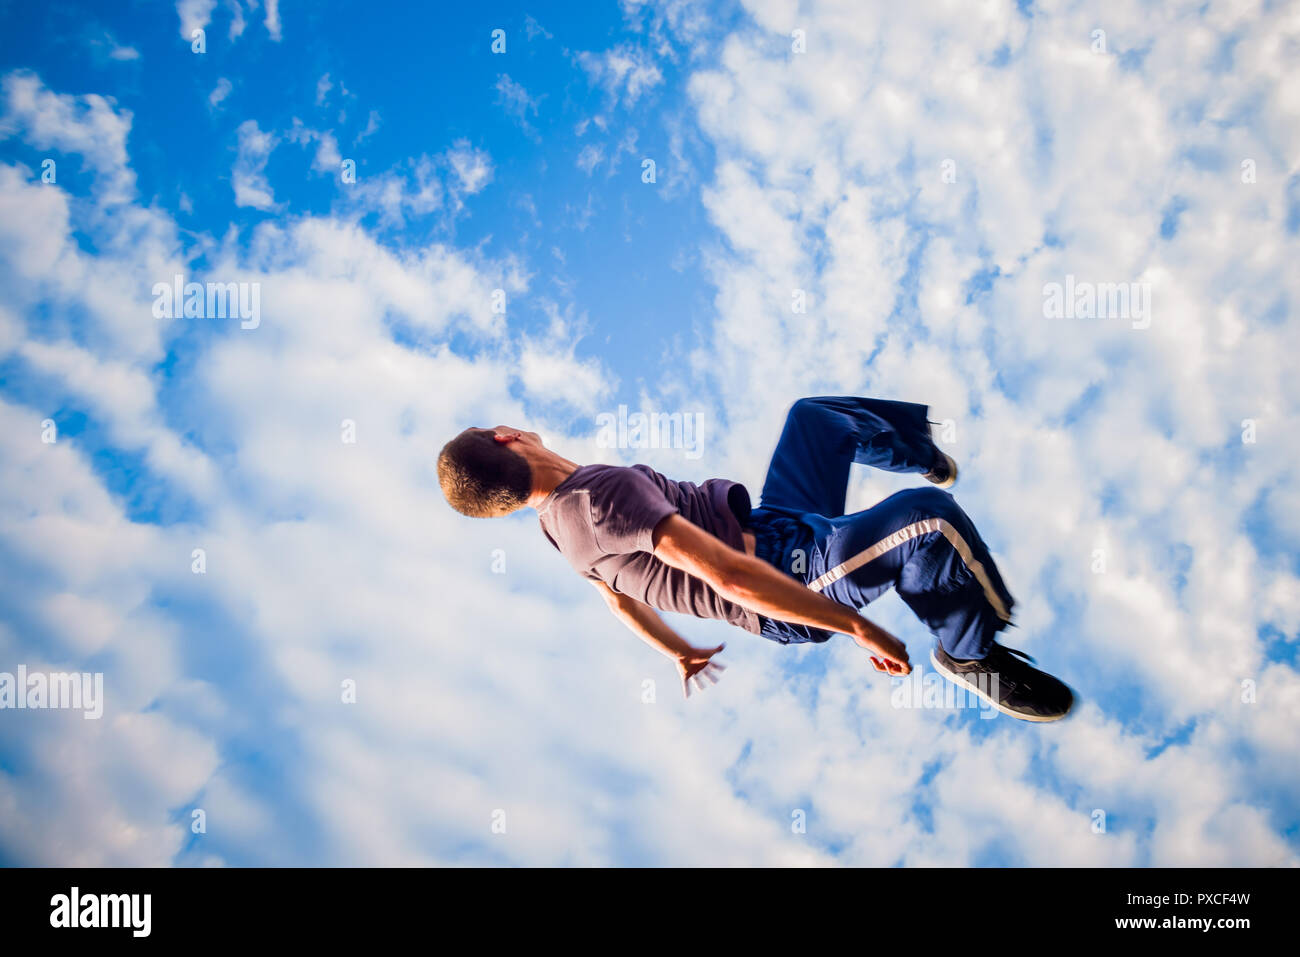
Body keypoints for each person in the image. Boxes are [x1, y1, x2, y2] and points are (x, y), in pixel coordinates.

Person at [437, 396, 1073, 721]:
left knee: (815, 419)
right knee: (925, 523)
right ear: (506, 436)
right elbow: (728, 576)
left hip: (776, 525)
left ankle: (921, 453)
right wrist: (854, 624)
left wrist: (677, 651)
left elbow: (617, 599)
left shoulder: (559, 527)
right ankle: (972, 657)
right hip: (788, 578)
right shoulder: (598, 497)